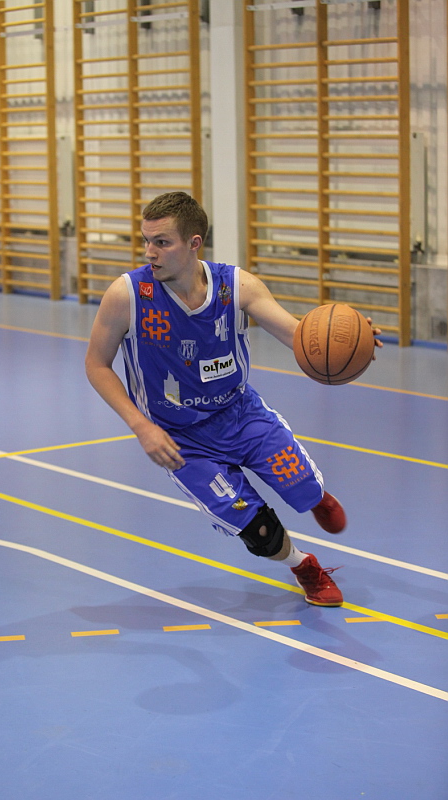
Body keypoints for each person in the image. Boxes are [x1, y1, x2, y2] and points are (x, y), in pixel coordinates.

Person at [85, 192, 381, 607]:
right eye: (146, 241)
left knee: (302, 490)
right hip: (180, 439)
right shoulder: (128, 295)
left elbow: (297, 334)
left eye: (162, 242)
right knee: (258, 532)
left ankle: (313, 497)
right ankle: (304, 567)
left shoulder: (237, 285)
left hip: (241, 415)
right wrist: (141, 426)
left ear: (194, 243)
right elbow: (97, 365)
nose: (149, 252)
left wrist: (346, 338)